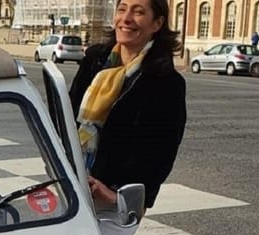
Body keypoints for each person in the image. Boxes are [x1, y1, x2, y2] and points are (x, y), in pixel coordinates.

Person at [68, 0, 186, 218]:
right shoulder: (95, 60)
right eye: (122, 9)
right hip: (72, 184)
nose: (126, 18)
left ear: (157, 24)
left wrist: (119, 195)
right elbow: (66, 116)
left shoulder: (165, 81)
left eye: (138, 12)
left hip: (113, 200)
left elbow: (161, 153)